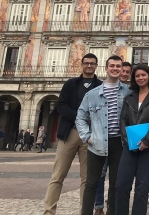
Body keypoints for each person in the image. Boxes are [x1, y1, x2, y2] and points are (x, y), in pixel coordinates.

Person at [43, 53, 103, 215]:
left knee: (87, 178)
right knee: (58, 175)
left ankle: (85, 211)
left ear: (96, 66)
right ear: (81, 65)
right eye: (86, 63)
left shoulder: (101, 86)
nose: (89, 66)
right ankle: (49, 211)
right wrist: (80, 118)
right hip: (69, 133)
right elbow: (61, 105)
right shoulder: (70, 84)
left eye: (92, 63)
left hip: (90, 137)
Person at [76, 55, 131, 215]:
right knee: (91, 182)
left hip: (119, 143)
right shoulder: (92, 94)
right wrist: (87, 136)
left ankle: (111, 212)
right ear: (106, 69)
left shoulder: (128, 92)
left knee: (116, 183)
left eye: (118, 66)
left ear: (121, 70)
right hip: (97, 142)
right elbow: (80, 116)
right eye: (112, 66)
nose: (115, 68)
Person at [116, 64, 149, 215]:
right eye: (137, 76)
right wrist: (127, 140)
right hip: (130, 145)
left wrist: (146, 140)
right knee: (121, 184)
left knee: (142, 185)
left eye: (143, 75)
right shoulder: (129, 97)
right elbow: (123, 118)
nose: (140, 78)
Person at [95, 62, 137, 215]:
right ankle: (98, 205)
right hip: (102, 137)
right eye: (122, 71)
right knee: (100, 174)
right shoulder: (102, 89)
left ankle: (111, 207)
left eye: (127, 72)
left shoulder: (130, 91)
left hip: (121, 139)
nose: (124, 74)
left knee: (116, 176)